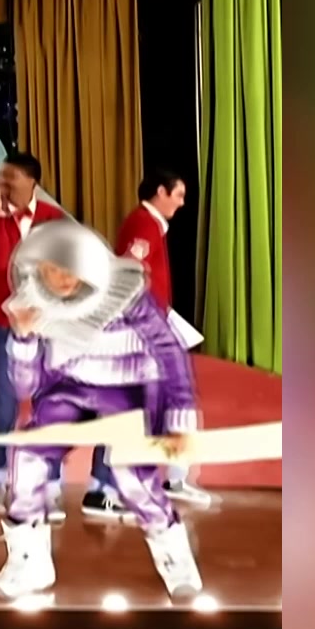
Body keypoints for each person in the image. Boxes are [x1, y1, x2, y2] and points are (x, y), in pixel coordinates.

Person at [0, 219, 204, 602]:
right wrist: (23, 337)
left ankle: (176, 558)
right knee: (28, 457)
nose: (61, 278)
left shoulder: (126, 295)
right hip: (68, 392)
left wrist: (180, 417)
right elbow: (26, 386)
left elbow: (169, 351)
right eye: (51, 269)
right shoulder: (32, 302)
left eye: (69, 268)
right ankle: (29, 562)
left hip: (126, 390)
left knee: (132, 477)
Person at [0, 154, 71, 522]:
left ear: (32, 182)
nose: (4, 183)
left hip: (48, 327)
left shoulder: (55, 220)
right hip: (3, 322)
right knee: (2, 403)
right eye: (2, 176)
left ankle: (51, 486)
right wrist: (1, 218)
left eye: (11, 177)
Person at [116, 170, 212, 507]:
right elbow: (129, 274)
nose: (182, 203)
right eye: (178, 195)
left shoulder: (151, 225)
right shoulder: (143, 223)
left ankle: (174, 477)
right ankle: (116, 487)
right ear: (161, 191)